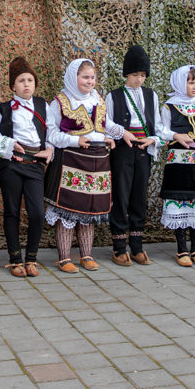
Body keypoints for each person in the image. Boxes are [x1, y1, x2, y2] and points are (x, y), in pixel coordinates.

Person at [44, 58, 121, 273]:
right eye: (85, 77)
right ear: (73, 77)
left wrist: (112, 136)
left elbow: (105, 124)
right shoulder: (60, 102)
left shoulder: (97, 99)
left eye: (92, 77)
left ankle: (87, 255)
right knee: (67, 212)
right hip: (72, 160)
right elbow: (51, 134)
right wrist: (74, 140)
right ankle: (64, 258)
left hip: (98, 161)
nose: (90, 82)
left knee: (89, 212)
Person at [0, 57, 53, 277]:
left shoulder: (43, 106)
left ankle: (32, 259)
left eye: (30, 80)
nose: (26, 84)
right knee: (12, 211)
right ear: (13, 86)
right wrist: (10, 145)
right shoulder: (3, 109)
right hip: (11, 164)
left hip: (35, 164)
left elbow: (52, 131)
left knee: (37, 212)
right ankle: (15, 259)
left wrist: (50, 149)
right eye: (21, 80)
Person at [156, 65, 195, 267]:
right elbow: (161, 130)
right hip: (179, 164)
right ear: (179, 83)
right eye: (190, 82)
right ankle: (182, 249)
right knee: (180, 202)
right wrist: (176, 135)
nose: (194, 87)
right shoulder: (169, 107)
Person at [105, 45, 160, 266]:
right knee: (121, 195)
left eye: (143, 75)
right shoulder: (113, 96)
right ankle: (119, 247)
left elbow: (158, 124)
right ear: (127, 73)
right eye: (135, 74)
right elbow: (106, 123)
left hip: (143, 149)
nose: (139, 79)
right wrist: (122, 133)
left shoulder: (151, 95)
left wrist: (153, 139)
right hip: (122, 150)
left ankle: (137, 245)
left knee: (139, 196)